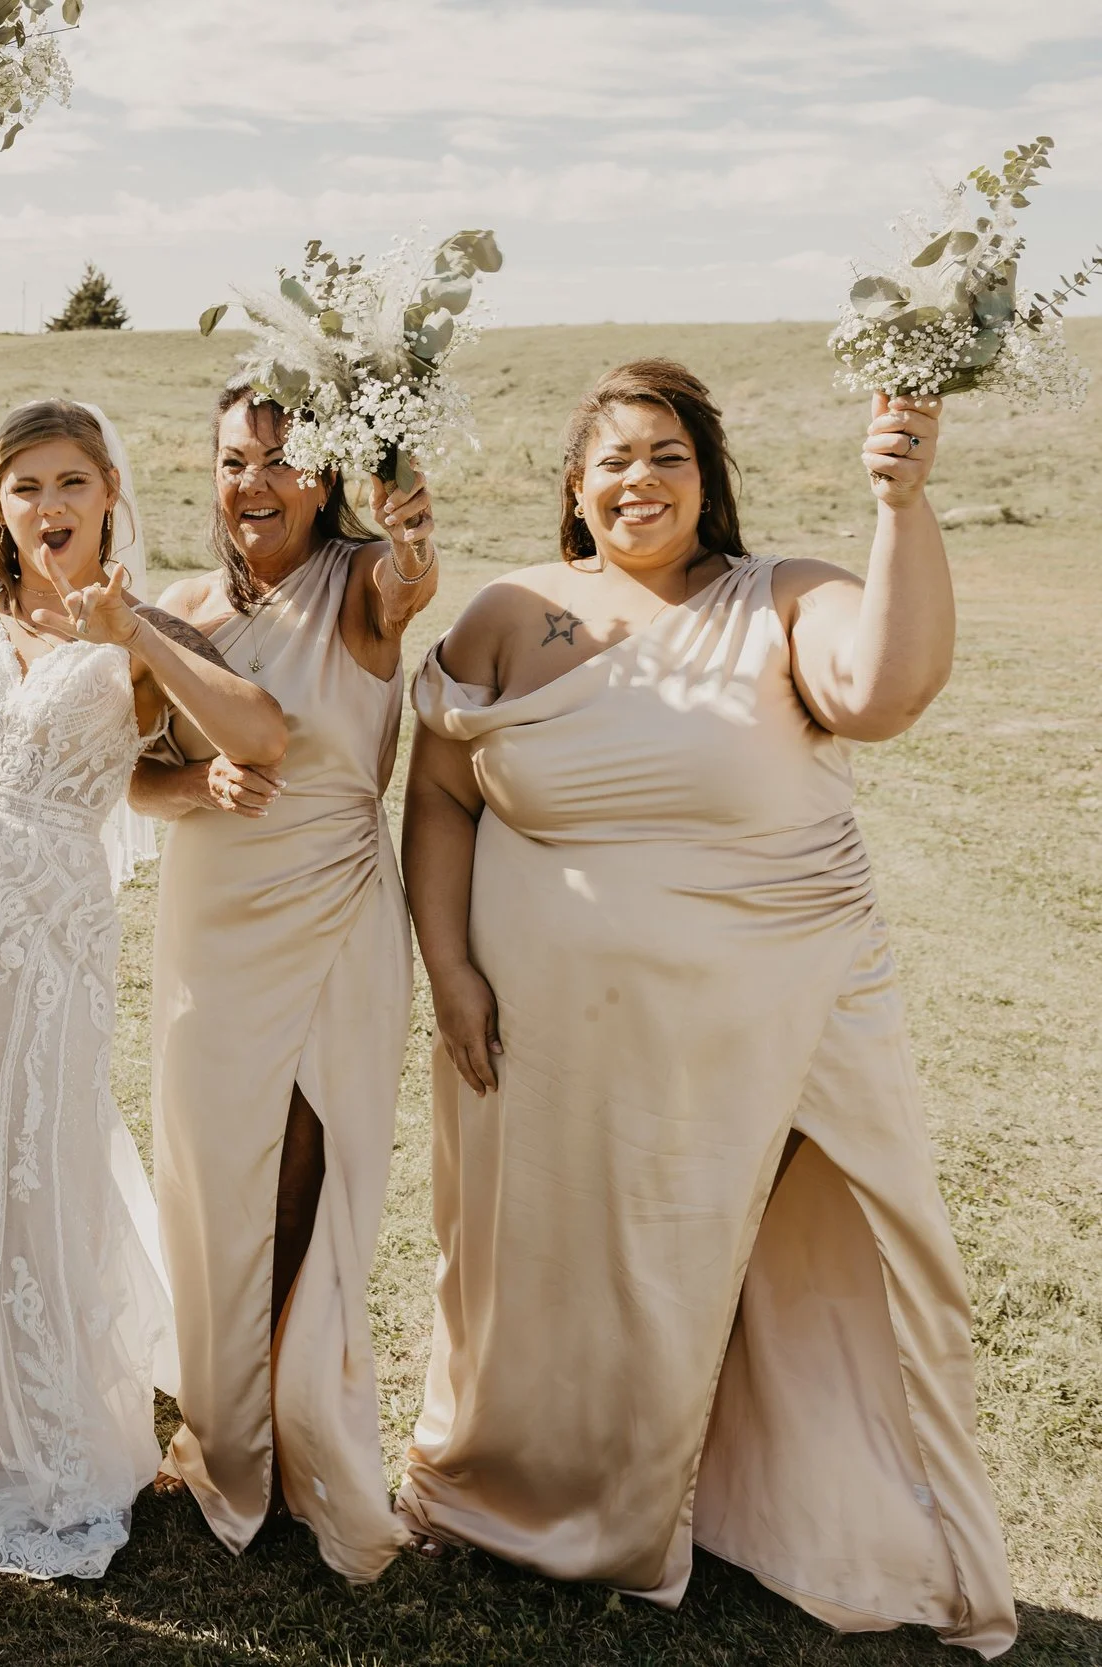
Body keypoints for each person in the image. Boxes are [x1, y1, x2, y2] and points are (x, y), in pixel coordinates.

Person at [395, 359, 1015, 1656]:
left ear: (708, 478)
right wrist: (448, 968)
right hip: (543, 1033)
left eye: (667, 454)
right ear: (575, 487)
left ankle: (778, 1503)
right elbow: (441, 795)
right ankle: (508, 1486)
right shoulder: (510, 611)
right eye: (614, 458)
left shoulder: (780, 594)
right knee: (534, 1265)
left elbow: (884, 693)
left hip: (768, 1018)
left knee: (766, 1254)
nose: (640, 478)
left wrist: (900, 501)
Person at [0, 179, 289, 1579]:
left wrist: (138, 642)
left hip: (52, 937)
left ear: (110, 498)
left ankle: (43, 1435)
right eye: (25, 485)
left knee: (36, 1166)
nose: (48, 503)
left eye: (72, 482)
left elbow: (257, 737)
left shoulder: (145, 628)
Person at [131, 385, 439, 1580]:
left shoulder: (360, 582)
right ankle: (221, 1429)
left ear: (326, 474)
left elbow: (409, 582)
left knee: (302, 1173)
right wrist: (193, 785)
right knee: (209, 1182)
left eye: (279, 459)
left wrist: (409, 532)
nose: (251, 483)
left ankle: (296, 1439)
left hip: (330, 917)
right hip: (208, 928)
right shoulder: (181, 610)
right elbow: (133, 773)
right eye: (231, 461)